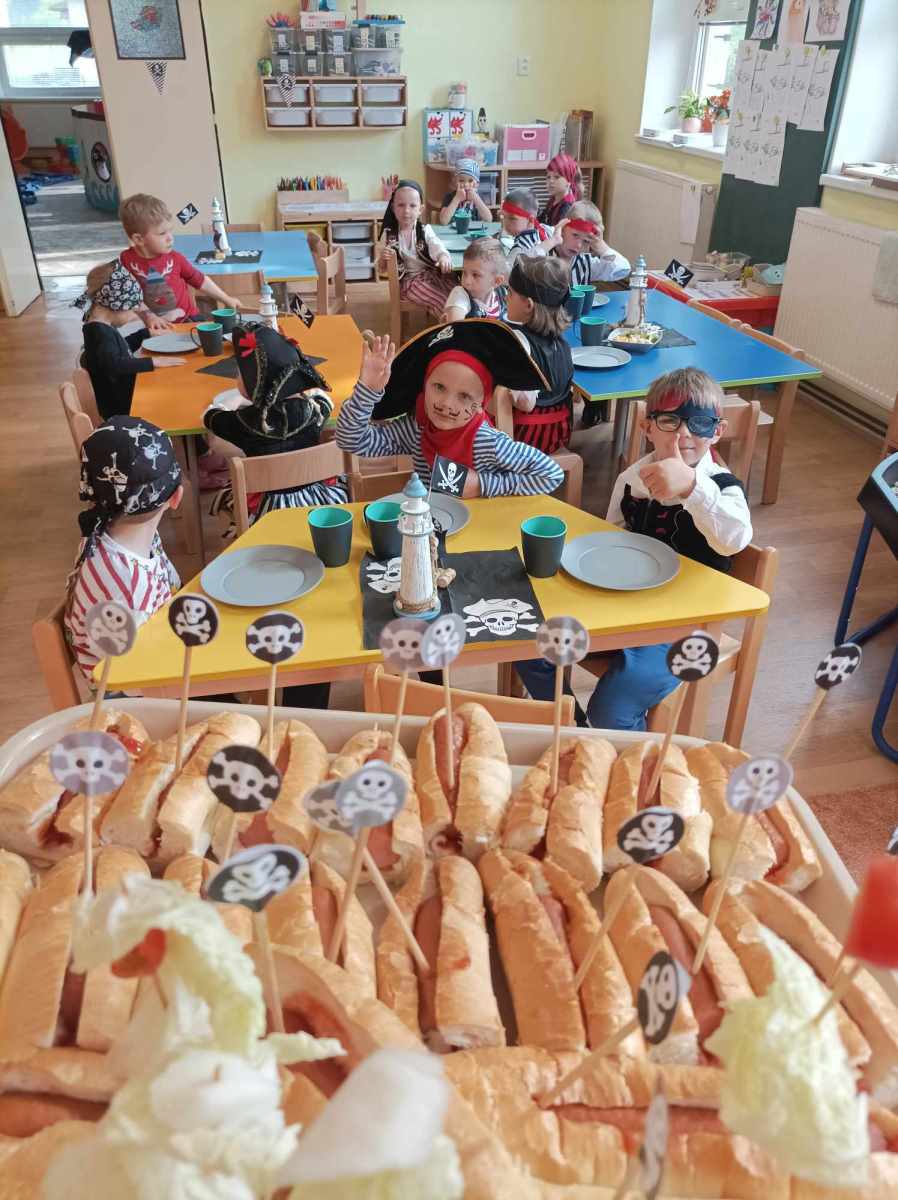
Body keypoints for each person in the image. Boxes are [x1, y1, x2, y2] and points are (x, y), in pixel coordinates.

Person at [516, 368, 752, 730]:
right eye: (670, 421)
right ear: (647, 427)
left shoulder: (723, 488)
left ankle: (626, 758)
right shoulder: (631, 480)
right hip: (623, 609)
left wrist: (691, 487)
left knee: (612, 707)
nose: (684, 434)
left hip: (686, 628)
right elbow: (611, 541)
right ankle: (575, 732)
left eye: (700, 423)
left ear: (717, 431)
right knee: (530, 644)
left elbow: (736, 538)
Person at [335, 319, 564, 498]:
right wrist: (367, 391)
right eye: (439, 387)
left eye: (464, 396)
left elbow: (551, 474)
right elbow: (351, 441)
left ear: (480, 405)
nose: (446, 404)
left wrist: (483, 485)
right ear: (424, 387)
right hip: (434, 526)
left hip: (481, 528)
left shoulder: (487, 443)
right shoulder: (417, 429)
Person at [64, 416, 182, 682]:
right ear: (176, 497)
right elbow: (134, 678)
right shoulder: (128, 589)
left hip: (154, 654)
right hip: (134, 692)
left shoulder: (110, 533)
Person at [202, 321, 347, 521]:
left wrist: (228, 403)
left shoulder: (244, 422)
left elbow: (210, 418)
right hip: (317, 502)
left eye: (240, 374)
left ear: (253, 386)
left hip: (268, 512)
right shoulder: (314, 412)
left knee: (231, 489)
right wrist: (303, 390)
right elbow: (324, 399)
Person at [75, 260, 184, 420]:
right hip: (125, 408)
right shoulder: (99, 333)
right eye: (132, 309)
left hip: (126, 398)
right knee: (176, 397)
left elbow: (120, 350)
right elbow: (114, 364)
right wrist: (153, 362)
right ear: (116, 304)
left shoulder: (100, 328)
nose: (134, 314)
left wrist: (145, 334)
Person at [118, 193, 241, 321]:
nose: (170, 238)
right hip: (156, 327)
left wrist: (226, 298)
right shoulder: (125, 261)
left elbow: (201, 280)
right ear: (139, 239)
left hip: (189, 320)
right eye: (162, 233)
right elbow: (128, 296)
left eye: (170, 231)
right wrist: (149, 317)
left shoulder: (175, 258)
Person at [503, 256, 575, 454]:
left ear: (528, 305)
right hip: (559, 434)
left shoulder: (519, 342)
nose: (506, 298)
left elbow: (526, 403)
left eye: (510, 293)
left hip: (526, 438)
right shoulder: (562, 343)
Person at [375, 179, 455, 316]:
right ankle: (451, 324)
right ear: (393, 208)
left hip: (432, 274)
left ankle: (465, 320)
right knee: (440, 299)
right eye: (401, 205)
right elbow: (381, 268)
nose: (406, 211)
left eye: (412, 206)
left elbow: (436, 244)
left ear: (420, 210)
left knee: (457, 290)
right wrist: (383, 258)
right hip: (410, 282)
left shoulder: (424, 230)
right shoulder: (388, 234)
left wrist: (443, 256)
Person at [542, 200, 630, 285]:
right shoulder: (544, 247)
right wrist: (553, 240)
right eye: (575, 235)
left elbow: (623, 270)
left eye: (586, 241)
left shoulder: (585, 263)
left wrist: (602, 247)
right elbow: (532, 260)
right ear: (563, 229)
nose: (578, 245)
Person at [441, 238, 508, 322]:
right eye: (464, 272)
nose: (467, 281)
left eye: (475, 275)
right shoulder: (461, 294)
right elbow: (456, 327)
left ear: (496, 281)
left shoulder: (503, 294)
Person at [497, 188, 550, 264]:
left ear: (530, 220)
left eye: (512, 218)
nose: (506, 223)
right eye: (504, 216)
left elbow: (506, 269)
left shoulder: (520, 249)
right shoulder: (542, 230)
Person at [438, 157, 492, 225]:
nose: (466, 184)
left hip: (474, 231)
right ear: (454, 182)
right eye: (461, 180)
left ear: (477, 184)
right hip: (453, 231)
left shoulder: (479, 197)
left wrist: (476, 198)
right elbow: (443, 221)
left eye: (470, 181)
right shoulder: (449, 197)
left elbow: (488, 219)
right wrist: (456, 199)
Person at [538, 153, 582, 226]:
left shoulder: (567, 208)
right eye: (548, 177)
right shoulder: (553, 200)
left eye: (556, 177)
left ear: (569, 180)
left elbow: (557, 231)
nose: (551, 181)